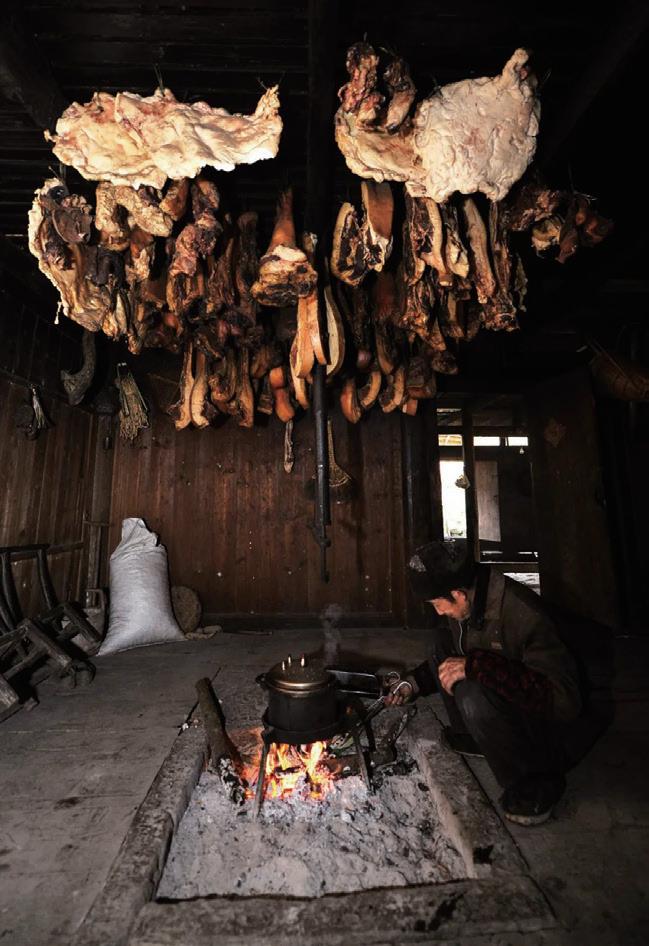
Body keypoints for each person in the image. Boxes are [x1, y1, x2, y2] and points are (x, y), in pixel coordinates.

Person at [385, 539, 582, 825]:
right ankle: (473, 736)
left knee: (472, 695)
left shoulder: (525, 614)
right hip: (507, 700)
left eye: (438, 604)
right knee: (439, 644)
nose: (438, 611)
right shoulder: (471, 597)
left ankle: (530, 786)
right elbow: (460, 655)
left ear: (458, 595)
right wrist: (413, 683)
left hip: (546, 731)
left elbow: (562, 701)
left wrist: (478, 667)